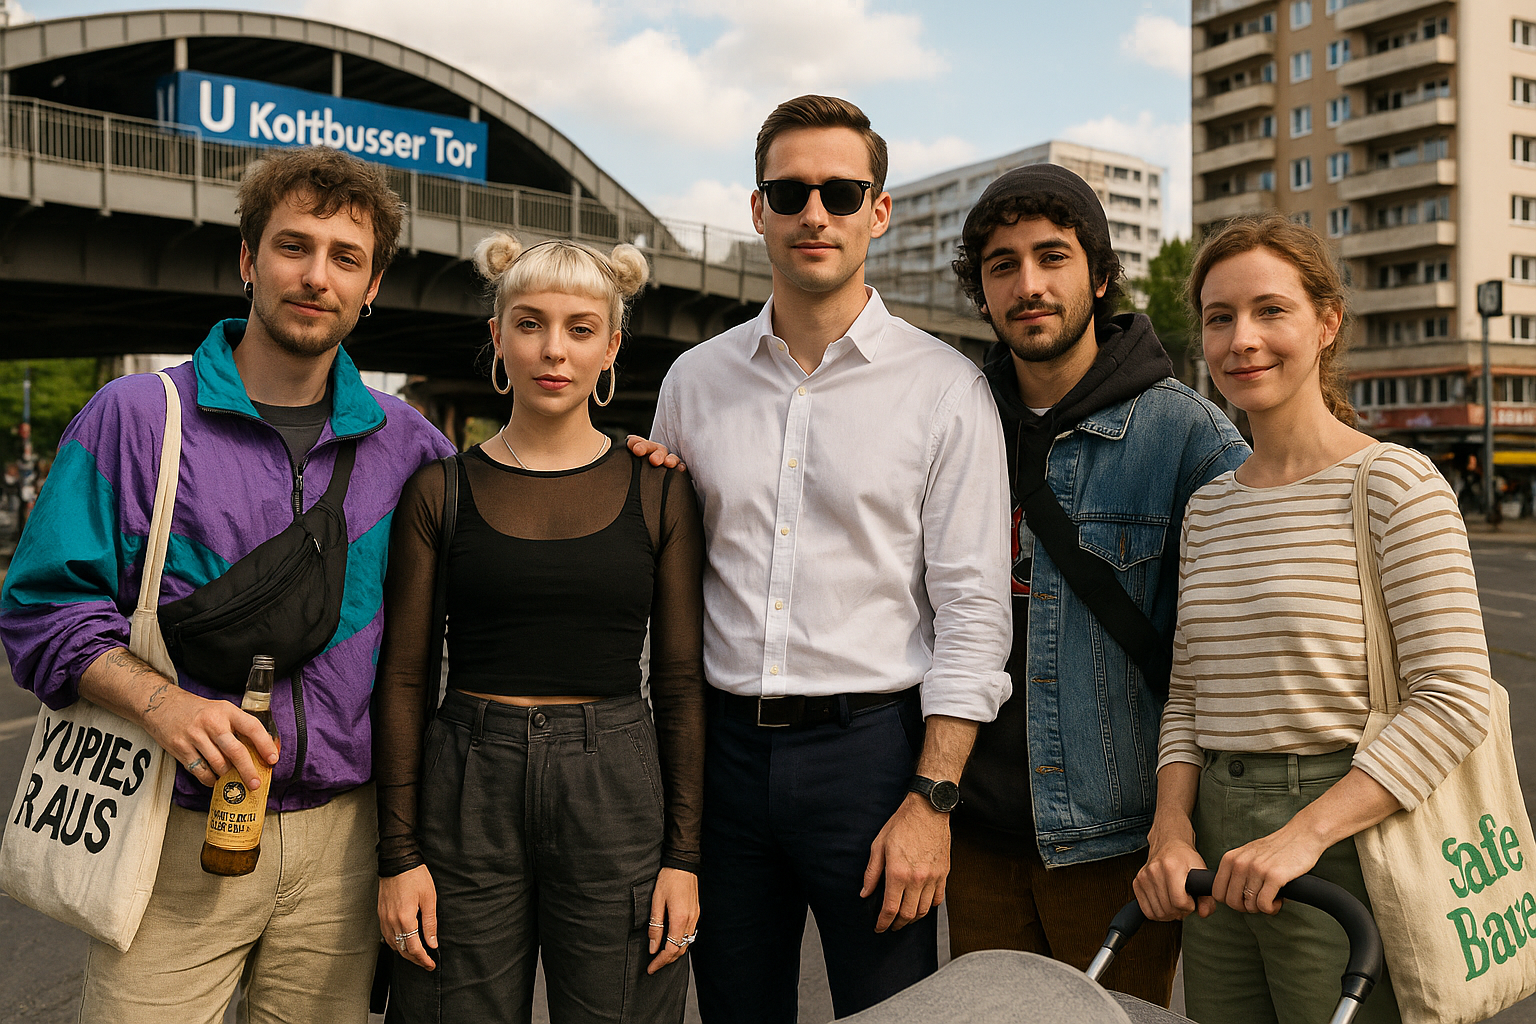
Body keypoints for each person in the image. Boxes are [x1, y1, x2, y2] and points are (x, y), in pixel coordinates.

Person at [0, 146, 456, 1023]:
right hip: (168, 829)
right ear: (248, 260)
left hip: (344, 844)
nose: (316, 275)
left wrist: (629, 464)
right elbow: (41, 610)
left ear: (373, 287)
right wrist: (165, 708)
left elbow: (516, 547)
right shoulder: (136, 419)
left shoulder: (411, 449)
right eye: (294, 246)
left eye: (345, 258)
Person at [642, 95, 1013, 1021]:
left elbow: (973, 611)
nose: (816, 213)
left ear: (877, 211)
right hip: (720, 759)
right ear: (758, 208)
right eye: (791, 191)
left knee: (889, 1013)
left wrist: (933, 797)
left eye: (842, 191)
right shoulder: (695, 382)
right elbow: (661, 580)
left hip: (874, 761)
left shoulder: (945, 389)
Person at [1134, 214, 1492, 1024]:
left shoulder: (1395, 484)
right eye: (1219, 318)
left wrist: (1306, 834)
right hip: (1217, 848)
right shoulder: (1210, 508)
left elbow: (1455, 696)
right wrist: (1170, 830)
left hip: (1347, 832)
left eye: (1270, 311)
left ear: (1327, 323)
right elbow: (1189, 697)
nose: (1241, 340)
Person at [373, 232, 705, 1023]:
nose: (554, 349)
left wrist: (684, 859)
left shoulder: (659, 492)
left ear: (611, 346)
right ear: (497, 336)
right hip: (465, 791)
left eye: (581, 328)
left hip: (617, 791)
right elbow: (407, 680)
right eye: (529, 323)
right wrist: (399, 856)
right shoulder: (437, 492)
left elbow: (682, 683)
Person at [940, 164, 1248, 1006]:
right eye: (1002, 265)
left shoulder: (1186, 435)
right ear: (982, 291)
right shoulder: (953, 418)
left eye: (1052, 257)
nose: (1028, 284)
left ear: (1101, 275)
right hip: (974, 836)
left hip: (1117, 843)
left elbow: (1235, 648)